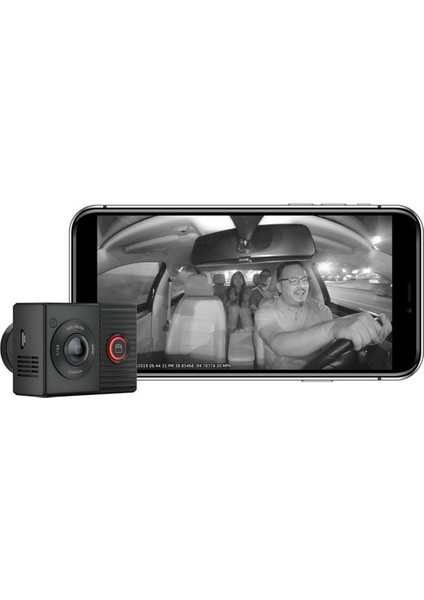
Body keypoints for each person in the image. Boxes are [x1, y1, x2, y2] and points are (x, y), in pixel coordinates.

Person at [255, 261, 392, 369]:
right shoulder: (265, 311)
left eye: (304, 279)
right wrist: (334, 327)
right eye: (293, 280)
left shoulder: (321, 309)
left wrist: (365, 336)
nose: (302, 286)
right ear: (279, 287)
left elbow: (335, 346)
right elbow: (278, 342)